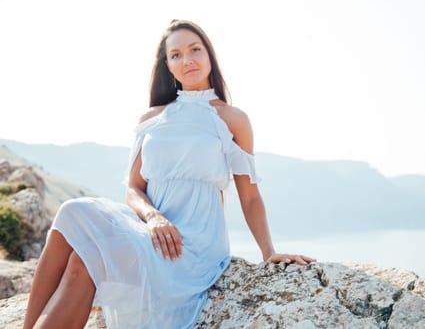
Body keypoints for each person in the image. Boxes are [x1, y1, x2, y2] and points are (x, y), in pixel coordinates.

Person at [23, 19, 315, 329]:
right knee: (73, 217)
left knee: (87, 259)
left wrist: (268, 252)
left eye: (195, 50)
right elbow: (134, 188)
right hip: (151, 231)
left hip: (193, 246)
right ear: (168, 66)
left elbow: (250, 195)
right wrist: (153, 217)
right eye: (176, 54)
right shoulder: (152, 119)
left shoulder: (231, 119)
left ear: (209, 56)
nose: (187, 59)